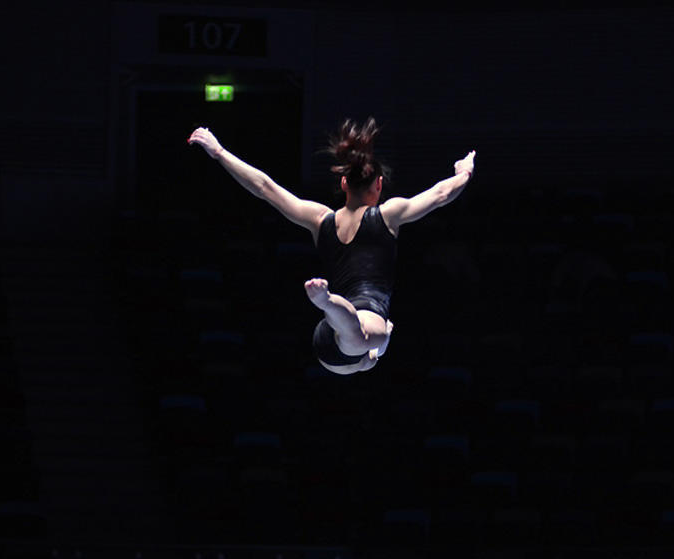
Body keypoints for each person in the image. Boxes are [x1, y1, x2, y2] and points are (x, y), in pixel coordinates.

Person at [187, 119, 475, 374]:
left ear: (344, 183)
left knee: (367, 342)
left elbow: (265, 188)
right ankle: (338, 313)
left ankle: (363, 341)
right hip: (349, 331)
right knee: (365, 336)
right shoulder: (389, 214)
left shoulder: (319, 219)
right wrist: (464, 173)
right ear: (379, 185)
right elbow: (441, 194)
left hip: (329, 339)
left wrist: (220, 153)